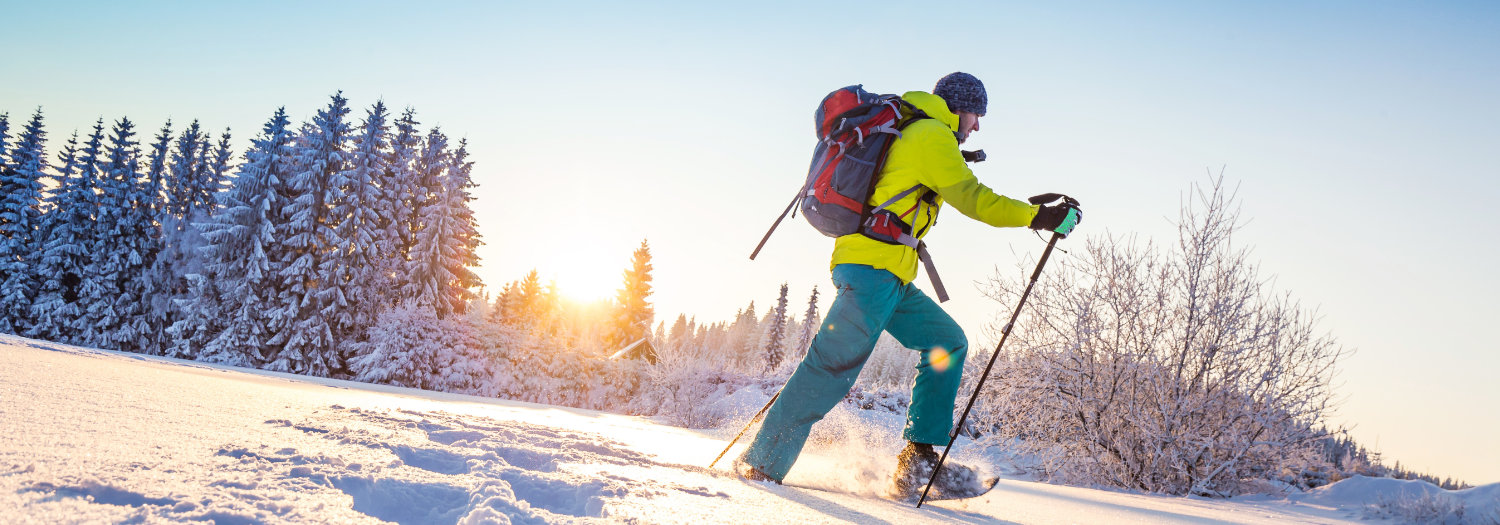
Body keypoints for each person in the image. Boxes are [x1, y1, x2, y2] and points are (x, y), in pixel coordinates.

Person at [734, 72, 1082, 493]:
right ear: (958, 107)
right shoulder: (929, 135)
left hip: (890, 275)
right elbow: (974, 199)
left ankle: (916, 461)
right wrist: (1037, 217)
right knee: (827, 371)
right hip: (872, 272)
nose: (977, 125)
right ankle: (760, 469)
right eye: (976, 114)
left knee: (946, 342)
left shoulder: (924, 134)